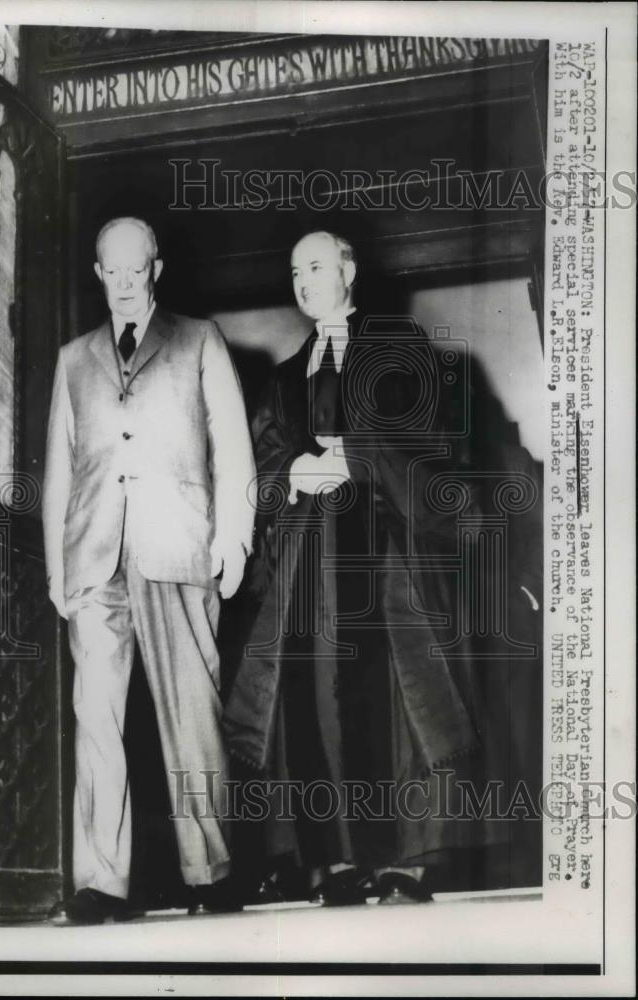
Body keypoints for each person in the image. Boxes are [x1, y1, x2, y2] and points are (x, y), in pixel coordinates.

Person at [224, 231, 530, 906]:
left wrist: (356, 455)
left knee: (407, 699)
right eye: (295, 269)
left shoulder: (400, 350)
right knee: (314, 703)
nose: (303, 280)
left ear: (349, 271)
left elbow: (432, 440)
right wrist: (294, 471)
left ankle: (406, 862)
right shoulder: (282, 379)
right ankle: (337, 861)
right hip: (313, 560)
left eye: (316, 266)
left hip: (388, 551)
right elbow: (261, 461)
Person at [42, 217, 255, 924]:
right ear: (98, 274)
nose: (127, 285)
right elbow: (58, 475)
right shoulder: (73, 360)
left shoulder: (199, 340)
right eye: (114, 272)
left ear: (156, 270)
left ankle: (211, 870)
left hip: (178, 549)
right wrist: (55, 568)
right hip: (94, 558)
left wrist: (234, 539)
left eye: (139, 271)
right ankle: (101, 880)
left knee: (191, 713)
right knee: (94, 719)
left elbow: (233, 448)